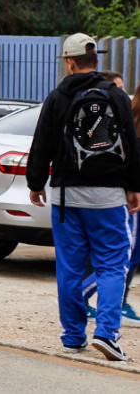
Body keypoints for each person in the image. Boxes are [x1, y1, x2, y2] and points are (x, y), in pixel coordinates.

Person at [25, 33, 140, 361]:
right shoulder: (116, 95)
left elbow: (42, 143)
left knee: (70, 268)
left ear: (69, 63)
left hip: (67, 197)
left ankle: (73, 337)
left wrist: (36, 183)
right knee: (112, 265)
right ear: (97, 61)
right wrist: (135, 186)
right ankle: (106, 333)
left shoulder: (57, 97)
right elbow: (132, 143)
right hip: (109, 197)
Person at [84, 79, 140, 327]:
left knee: (128, 255)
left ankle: (116, 303)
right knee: (123, 256)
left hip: (124, 195)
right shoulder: (127, 118)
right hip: (129, 198)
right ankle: (78, 296)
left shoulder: (126, 115)